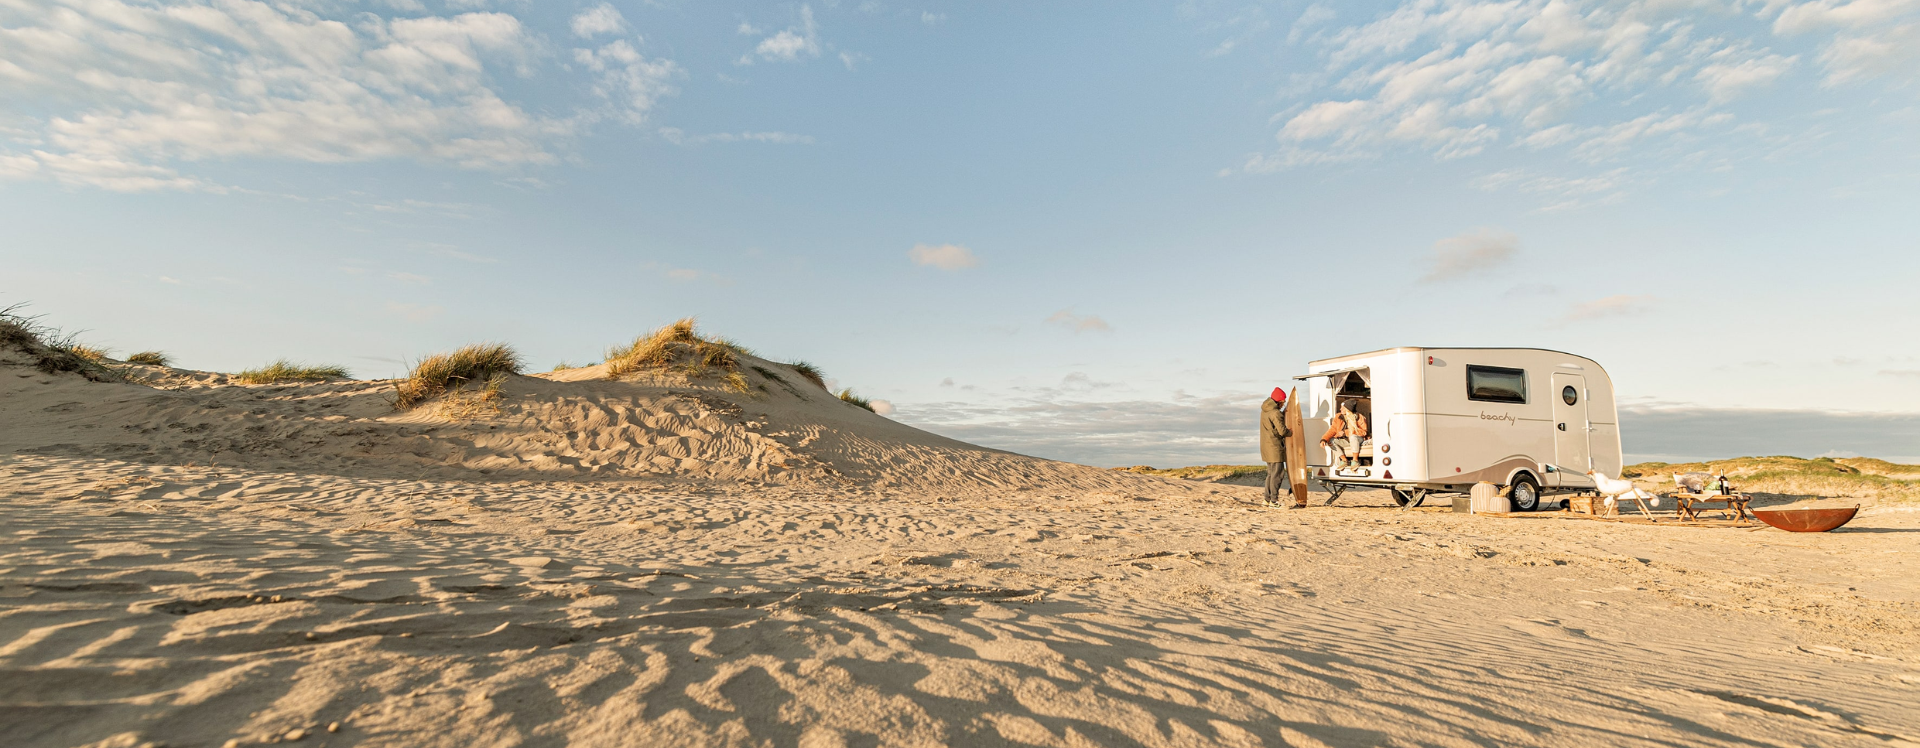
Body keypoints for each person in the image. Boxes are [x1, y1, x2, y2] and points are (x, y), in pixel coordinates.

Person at [1259, 387, 1297, 507]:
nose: (1283, 403)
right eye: (1283, 401)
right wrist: (1291, 432)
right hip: (1275, 447)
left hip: (1266, 447)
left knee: (1270, 474)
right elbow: (1282, 431)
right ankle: (1273, 501)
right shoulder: (1275, 413)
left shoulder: (1265, 410)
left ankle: (1267, 499)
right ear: (1279, 401)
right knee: (1277, 475)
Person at [1320, 399, 1370, 469]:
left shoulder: (1359, 417)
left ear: (1348, 409)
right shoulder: (1338, 417)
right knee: (1331, 441)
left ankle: (1355, 460)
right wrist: (1324, 439)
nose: (1340, 409)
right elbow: (1332, 430)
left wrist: (1346, 432)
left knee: (1353, 437)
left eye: (1342, 408)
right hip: (1346, 441)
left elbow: (1364, 432)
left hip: (1358, 440)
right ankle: (1344, 460)